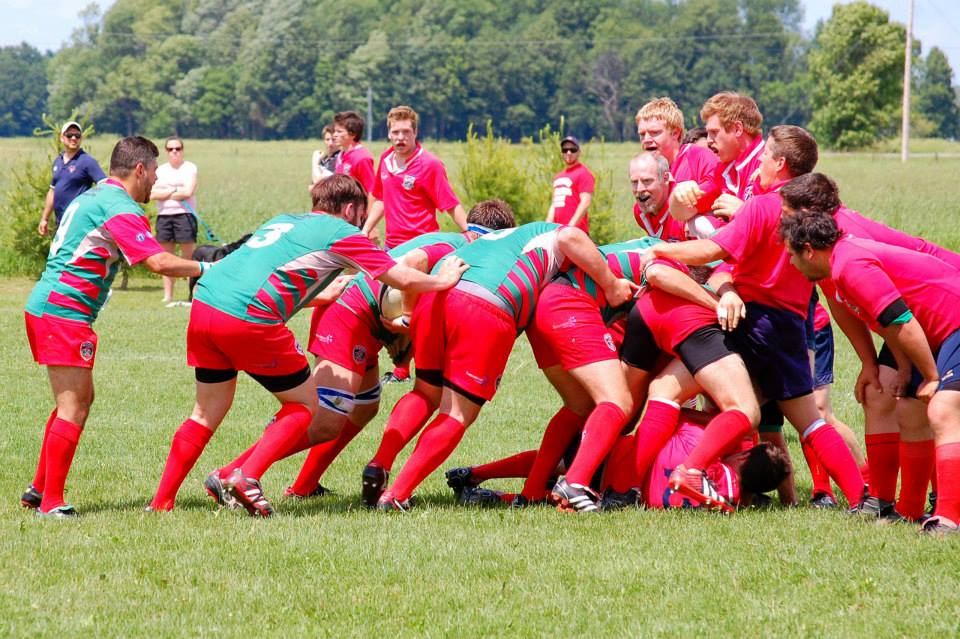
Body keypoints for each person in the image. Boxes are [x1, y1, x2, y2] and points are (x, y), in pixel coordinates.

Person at [146, 175, 469, 516]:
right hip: (248, 316)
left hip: (205, 305)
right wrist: (442, 280)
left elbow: (261, 274)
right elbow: (399, 276)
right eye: (361, 216)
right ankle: (245, 476)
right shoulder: (341, 232)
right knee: (306, 406)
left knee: (204, 413)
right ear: (350, 209)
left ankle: (161, 503)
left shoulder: (283, 220)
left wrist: (315, 295)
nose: (363, 224)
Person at [642, 125, 867, 509]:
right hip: (790, 328)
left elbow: (713, 249)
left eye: (764, 156)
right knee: (810, 422)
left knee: (668, 389)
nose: (759, 163)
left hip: (744, 321)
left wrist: (663, 251)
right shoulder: (821, 216)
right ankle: (864, 498)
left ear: (780, 164)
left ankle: (667, 475)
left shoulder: (762, 207)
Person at [229, 201, 515, 501]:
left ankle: (304, 485)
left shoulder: (452, 241)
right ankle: (234, 472)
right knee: (325, 421)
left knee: (364, 408)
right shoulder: (454, 245)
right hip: (349, 316)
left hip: (363, 317)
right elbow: (414, 262)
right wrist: (407, 317)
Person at [368, 222, 638, 511]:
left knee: (424, 392)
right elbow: (572, 236)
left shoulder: (506, 238)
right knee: (456, 413)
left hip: (435, 295)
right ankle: (396, 495)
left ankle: (379, 464)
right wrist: (610, 283)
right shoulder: (554, 237)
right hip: (484, 303)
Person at [21, 136, 212, 517]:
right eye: (155, 171)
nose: (156, 180)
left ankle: (39, 490)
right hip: (64, 311)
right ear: (139, 169)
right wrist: (208, 268)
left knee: (77, 402)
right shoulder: (118, 205)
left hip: (52, 307)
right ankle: (52, 503)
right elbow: (156, 262)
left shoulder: (95, 195)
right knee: (72, 407)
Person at [781, 172, 960, 520]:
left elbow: (902, 322)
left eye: (786, 213)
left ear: (808, 246)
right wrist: (888, 366)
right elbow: (883, 319)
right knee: (897, 403)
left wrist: (932, 376)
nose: (789, 262)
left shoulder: (850, 263)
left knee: (942, 408)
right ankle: (902, 509)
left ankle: (949, 516)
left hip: (949, 318)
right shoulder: (832, 260)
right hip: (924, 322)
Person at [361, 105, 467, 249]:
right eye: (395, 132)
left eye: (406, 132)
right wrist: (366, 229)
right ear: (389, 134)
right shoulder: (386, 159)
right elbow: (381, 199)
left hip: (421, 247)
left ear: (415, 132)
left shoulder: (430, 164)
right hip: (392, 247)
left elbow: (450, 205)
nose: (400, 137)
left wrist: (470, 233)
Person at [672, 92, 765, 219]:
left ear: (738, 129)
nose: (709, 140)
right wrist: (678, 196)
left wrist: (744, 212)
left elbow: (789, 227)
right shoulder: (722, 171)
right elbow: (682, 213)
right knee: (699, 224)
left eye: (714, 132)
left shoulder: (770, 163)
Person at [634, 97, 721, 228]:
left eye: (654, 133)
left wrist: (691, 212)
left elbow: (718, 186)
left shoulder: (697, 155)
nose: (646, 139)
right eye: (642, 134)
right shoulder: (651, 173)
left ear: (675, 133)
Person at [150, 136, 199, 305]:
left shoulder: (190, 168)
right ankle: (168, 295)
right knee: (166, 257)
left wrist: (166, 191)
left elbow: (188, 192)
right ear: (166, 151)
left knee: (189, 257)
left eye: (177, 148)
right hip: (164, 216)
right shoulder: (160, 170)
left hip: (185, 215)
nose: (174, 152)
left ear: (182, 150)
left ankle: (193, 293)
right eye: (171, 149)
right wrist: (175, 190)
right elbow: (152, 194)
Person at [38, 121, 106, 236]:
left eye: (77, 135)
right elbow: (52, 191)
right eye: (69, 135)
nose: (74, 138)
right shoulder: (57, 161)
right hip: (60, 222)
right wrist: (45, 219)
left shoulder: (87, 161)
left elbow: (104, 185)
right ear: (62, 138)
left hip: (79, 223)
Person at [546, 136, 594, 233]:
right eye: (565, 150)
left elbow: (585, 202)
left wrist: (570, 226)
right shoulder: (558, 177)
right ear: (561, 153)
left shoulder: (584, 173)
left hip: (576, 232)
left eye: (573, 150)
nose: (568, 153)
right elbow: (554, 205)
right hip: (557, 232)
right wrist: (547, 227)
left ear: (579, 152)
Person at [333, 111, 375, 193]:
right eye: (334, 131)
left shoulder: (362, 158)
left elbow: (371, 192)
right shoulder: (340, 155)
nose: (334, 135)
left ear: (353, 134)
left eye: (339, 131)